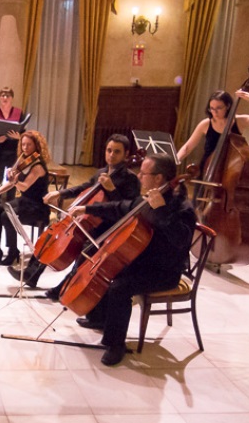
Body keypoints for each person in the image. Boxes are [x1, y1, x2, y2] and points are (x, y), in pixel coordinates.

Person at [68, 153, 196, 366]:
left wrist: (161, 210)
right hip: (144, 261)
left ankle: (115, 345)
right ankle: (100, 318)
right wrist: (87, 208)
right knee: (107, 267)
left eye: (144, 173)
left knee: (120, 286)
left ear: (158, 178)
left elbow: (181, 240)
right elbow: (120, 207)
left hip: (165, 271)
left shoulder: (181, 208)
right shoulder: (150, 198)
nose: (139, 176)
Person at [16, 134, 141, 293]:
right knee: (53, 235)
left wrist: (112, 190)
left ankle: (63, 288)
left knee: (86, 249)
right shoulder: (101, 172)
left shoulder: (130, 179)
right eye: (109, 150)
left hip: (108, 225)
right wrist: (60, 193)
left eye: (117, 152)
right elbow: (83, 187)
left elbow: (127, 209)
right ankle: (31, 274)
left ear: (126, 154)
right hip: (88, 219)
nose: (111, 155)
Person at [0, 130, 50, 266]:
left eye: (29, 145)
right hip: (24, 202)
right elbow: (11, 182)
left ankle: (13, 251)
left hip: (37, 206)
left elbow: (24, 187)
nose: (25, 148)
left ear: (36, 146)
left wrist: (14, 180)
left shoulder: (38, 165)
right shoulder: (25, 160)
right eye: (23, 144)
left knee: (7, 216)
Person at [176, 89, 249, 169]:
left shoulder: (239, 121)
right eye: (212, 108)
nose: (215, 112)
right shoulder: (205, 124)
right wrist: (176, 160)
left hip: (230, 170)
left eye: (219, 108)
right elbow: (187, 147)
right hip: (207, 168)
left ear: (228, 106)